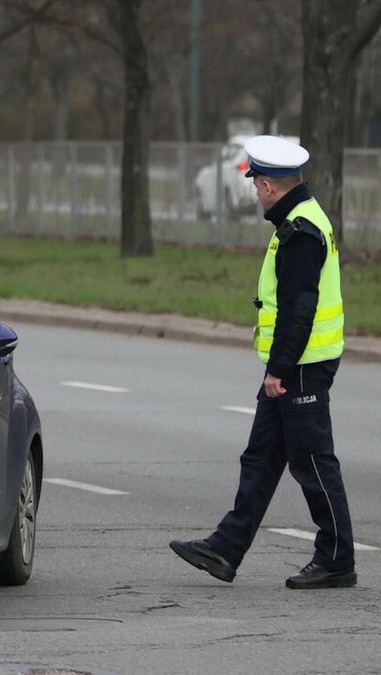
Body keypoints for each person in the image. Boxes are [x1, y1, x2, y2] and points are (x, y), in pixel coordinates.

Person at [170, 135, 355, 589]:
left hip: (302, 366)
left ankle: (337, 559)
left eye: (256, 185)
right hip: (295, 363)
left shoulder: (300, 231)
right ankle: (225, 548)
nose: (254, 192)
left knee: (312, 462)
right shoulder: (298, 219)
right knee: (260, 458)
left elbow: (300, 308)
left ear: (270, 186)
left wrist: (279, 369)